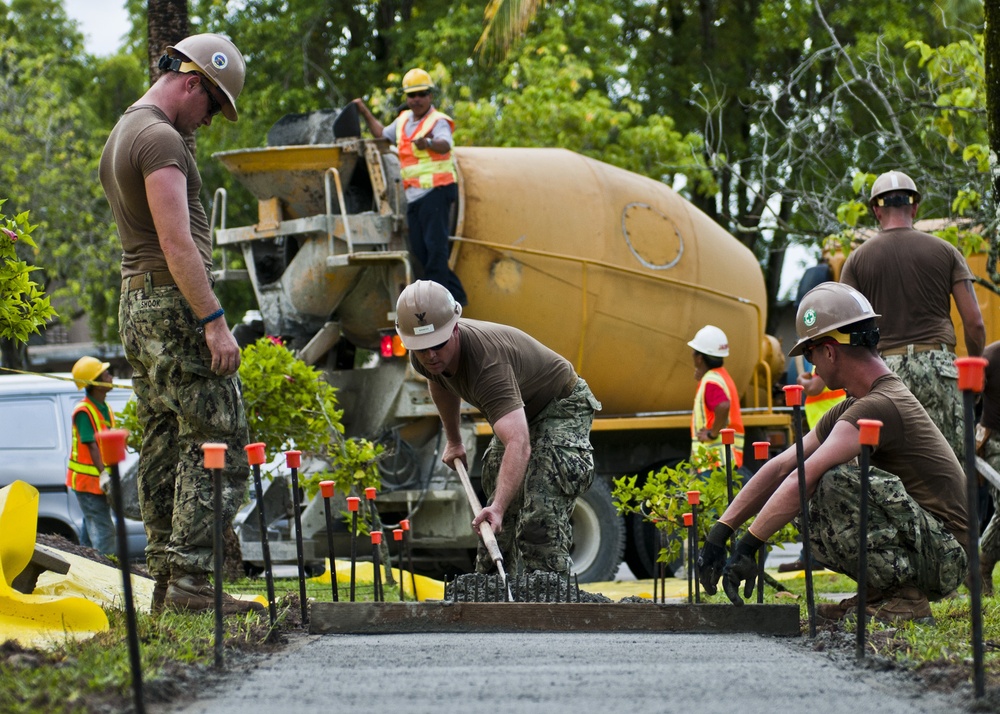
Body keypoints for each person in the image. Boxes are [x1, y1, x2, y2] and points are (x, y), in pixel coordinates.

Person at [99, 33, 260, 615]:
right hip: (173, 305)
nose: (211, 120)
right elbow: (176, 242)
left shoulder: (126, 129)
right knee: (221, 437)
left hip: (137, 306)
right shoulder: (160, 138)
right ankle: (193, 584)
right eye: (213, 106)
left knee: (165, 440)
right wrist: (214, 320)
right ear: (193, 82)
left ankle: (169, 582)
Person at [697, 282, 968, 622]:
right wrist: (721, 533)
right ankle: (880, 594)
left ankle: (906, 599)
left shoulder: (881, 404)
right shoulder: (857, 403)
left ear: (829, 351)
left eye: (809, 354)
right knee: (807, 496)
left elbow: (805, 475)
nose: (811, 367)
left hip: (945, 555)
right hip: (928, 543)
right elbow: (783, 466)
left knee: (832, 481)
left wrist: (750, 545)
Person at [394, 280, 601, 575]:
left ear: (455, 327)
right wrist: (454, 441)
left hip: (560, 405)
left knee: (539, 514)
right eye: (421, 348)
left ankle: (550, 600)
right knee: (493, 521)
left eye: (438, 345)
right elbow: (440, 383)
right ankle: (492, 596)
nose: (430, 356)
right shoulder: (426, 355)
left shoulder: (487, 365)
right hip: (518, 410)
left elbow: (519, 442)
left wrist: (500, 507)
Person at [840, 170, 985, 462]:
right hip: (939, 369)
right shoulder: (947, 252)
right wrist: (975, 373)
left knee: (888, 468)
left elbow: (843, 327)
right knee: (951, 470)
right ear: (915, 207)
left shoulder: (856, 260)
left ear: (876, 209)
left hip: (883, 374)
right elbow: (975, 323)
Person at [352, 69, 467, 305]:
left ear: (430, 96)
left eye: (421, 94)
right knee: (421, 252)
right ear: (406, 97)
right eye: (411, 95)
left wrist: (429, 143)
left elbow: (445, 145)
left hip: (437, 191)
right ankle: (459, 298)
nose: (416, 99)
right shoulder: (403, 120)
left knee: (436, 251)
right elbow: (382, 135)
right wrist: (363, 111)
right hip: (415, 197)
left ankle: (441, 306)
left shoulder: (438, 121)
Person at [66, 356, 117, 556]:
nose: (111, 376)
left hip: (99, 482)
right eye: (106, 374)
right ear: (96, 383)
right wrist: (103, 474)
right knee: (105, 532)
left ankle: (85, 564)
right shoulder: (84, 411)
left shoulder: (104, 408)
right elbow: (91, 444)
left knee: (90, 532)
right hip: (88, 483)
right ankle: (107, 577)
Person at [687, 325, 744, 470]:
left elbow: (723, 405)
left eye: (694, 353)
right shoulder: (720, 376)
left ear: (700, 358)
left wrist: (712, 434)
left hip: (715, 462)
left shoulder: (711, 381)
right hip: (724, 458)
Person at [977, 341, 1000, 594]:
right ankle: (983, 564)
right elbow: (970, 397)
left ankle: (983, 563)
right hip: (995, 441)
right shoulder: (991, 356)